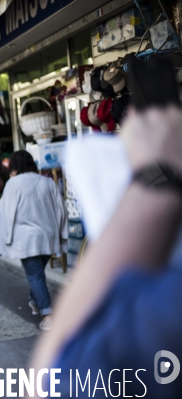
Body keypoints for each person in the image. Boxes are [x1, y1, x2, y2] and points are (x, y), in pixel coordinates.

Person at [29, 105, 182, 397]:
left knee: (34, 273)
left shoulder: (164, 311)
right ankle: (44, 308)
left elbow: (53, 381)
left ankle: (45, 309)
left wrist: (154, 182)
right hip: (47, 237)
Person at [0, 150, 67, 331]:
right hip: (48, 237)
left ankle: (48, 315)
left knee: (35, 274)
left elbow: (6, 213)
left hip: (26, 239)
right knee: (37, 273)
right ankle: (34, 301)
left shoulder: (13, 183)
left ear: (14, 167)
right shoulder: (47, 182)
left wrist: (5, 238)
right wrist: (62, 233)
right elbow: (61, 209)